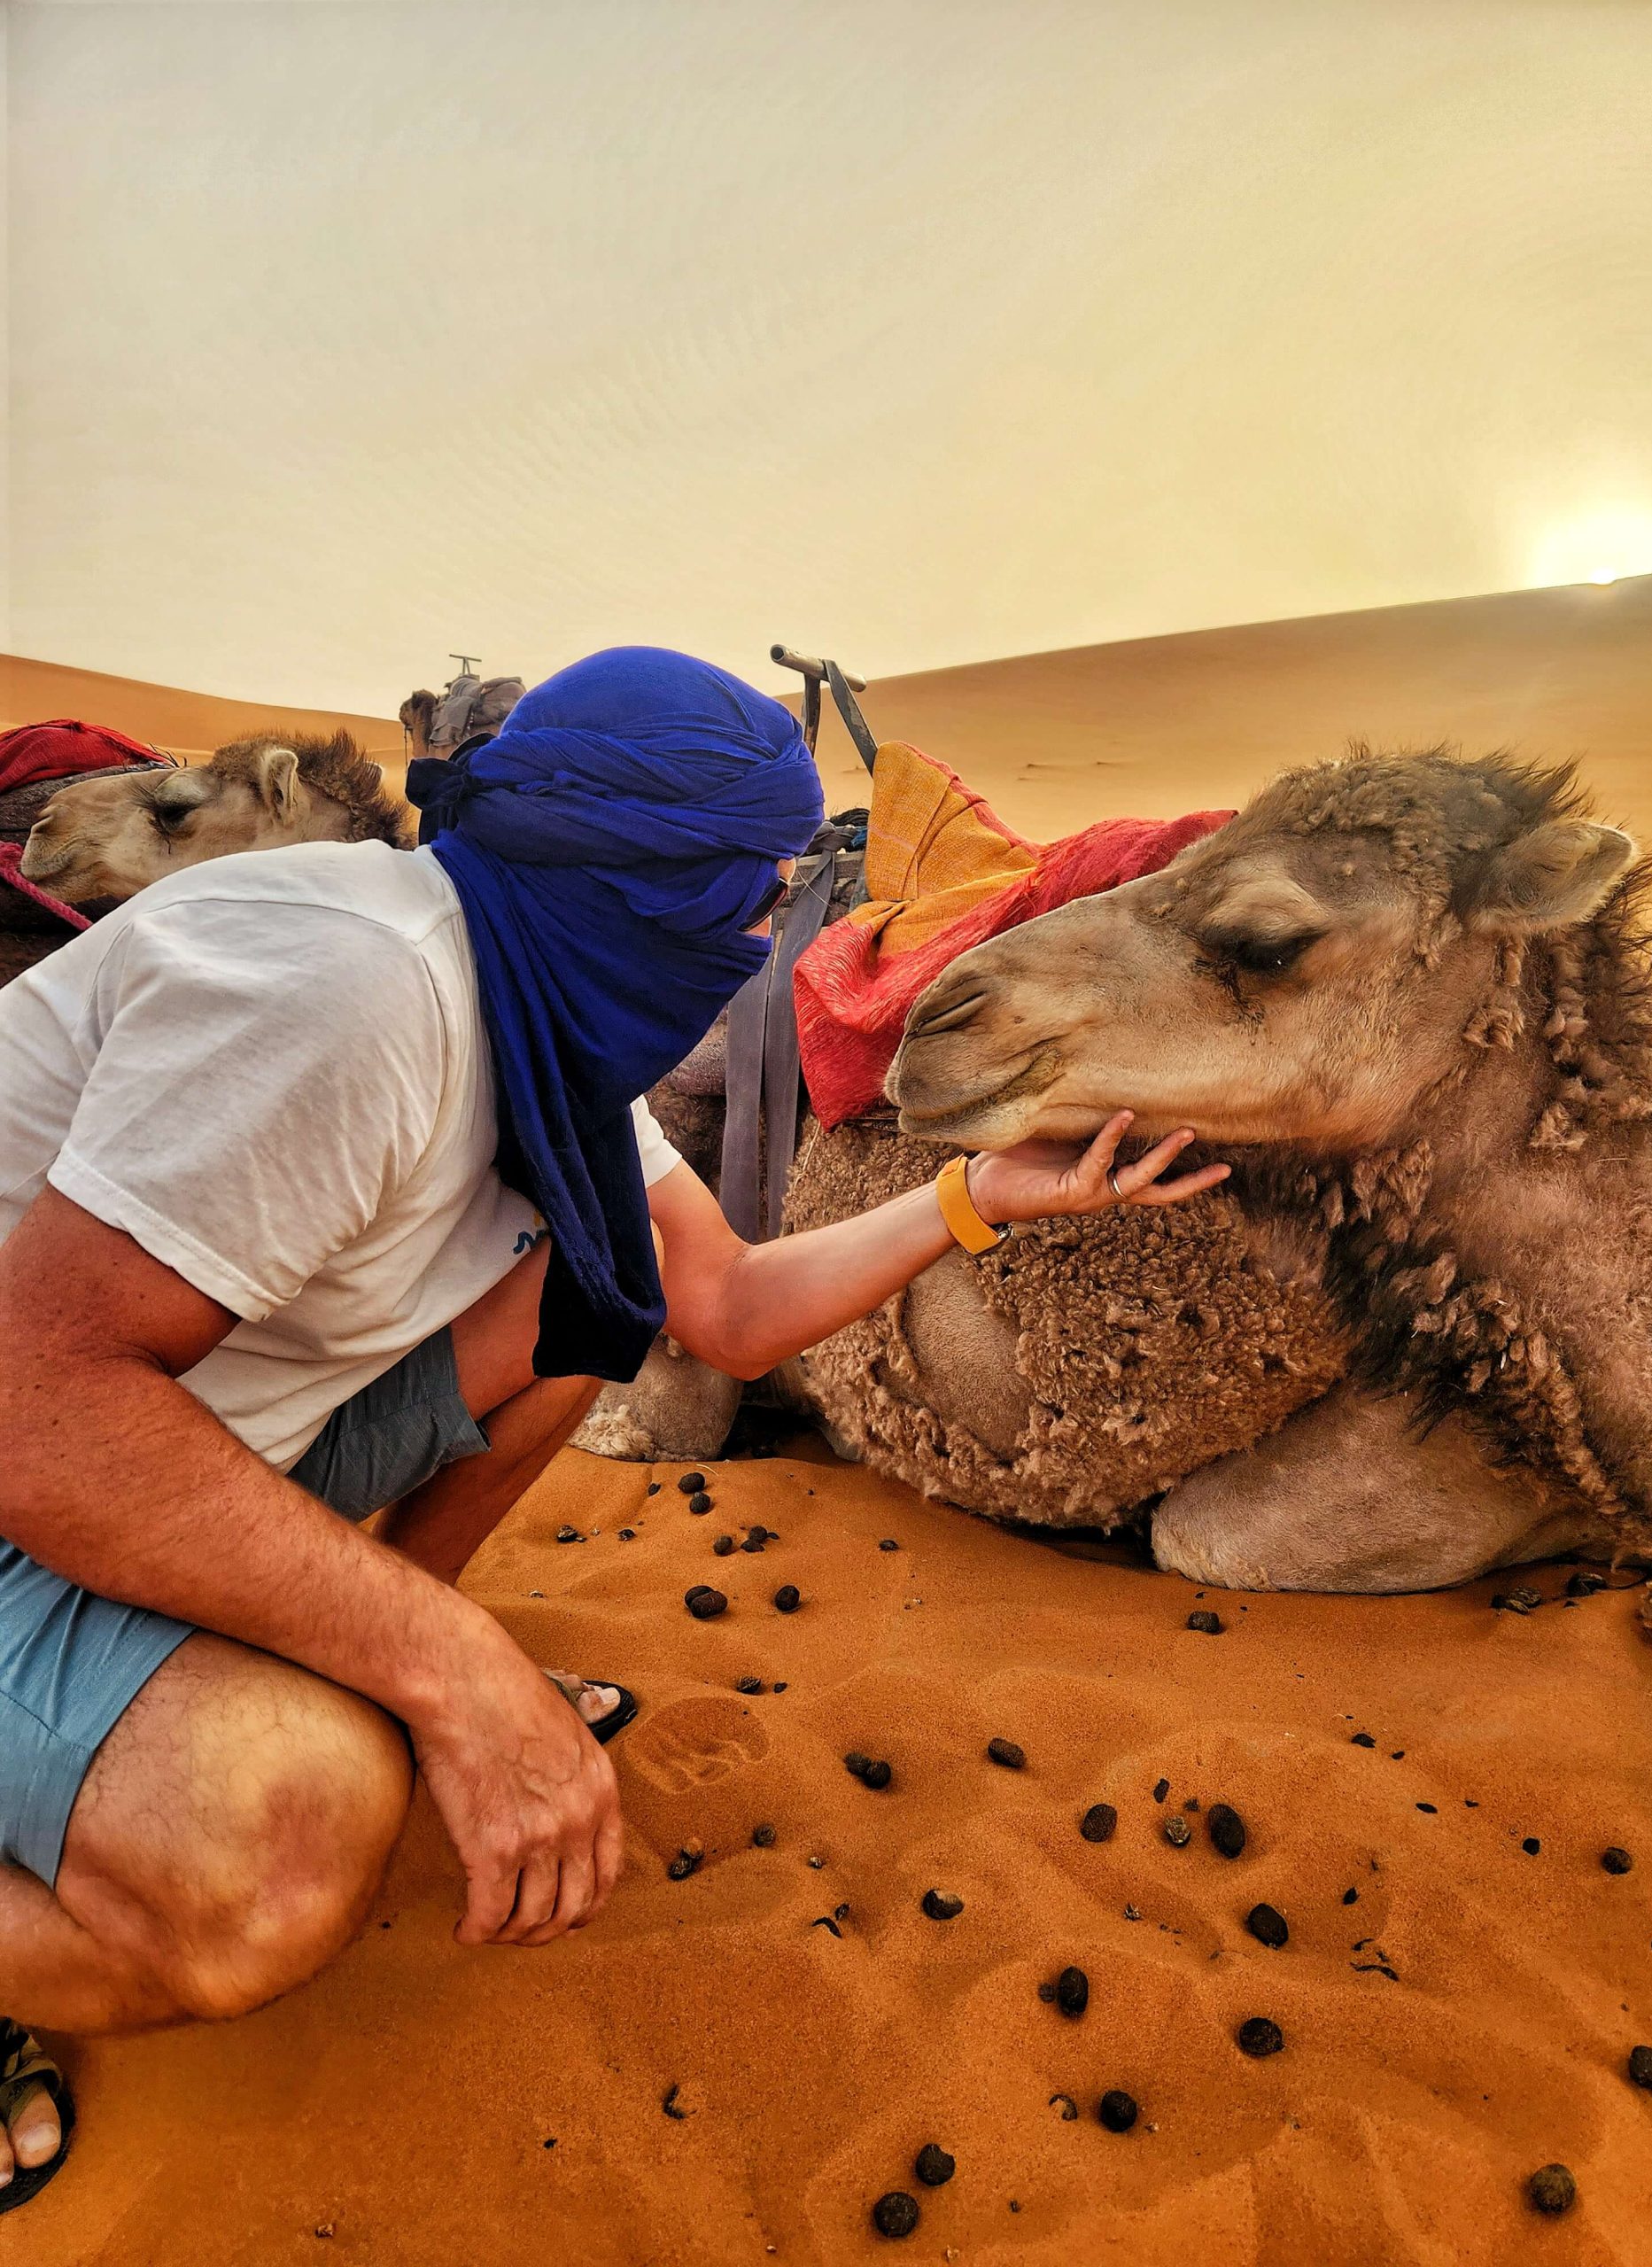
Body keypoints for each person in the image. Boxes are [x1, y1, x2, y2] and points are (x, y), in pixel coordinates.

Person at [0, 648, 1228, 2211]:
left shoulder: (541, 998)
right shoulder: (351, 991)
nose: (752, 943)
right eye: (747, 899)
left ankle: (353, 1649)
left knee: (591, 1301)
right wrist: (466, 1683)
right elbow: (39, 1417)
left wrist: (977, 1199)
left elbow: (718, 1310)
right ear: (640, 888)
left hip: (189, 1432)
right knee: (282, 1856)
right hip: (42, 1457)